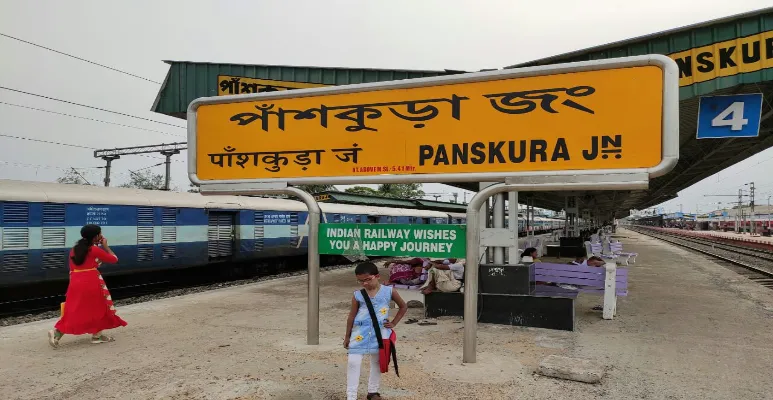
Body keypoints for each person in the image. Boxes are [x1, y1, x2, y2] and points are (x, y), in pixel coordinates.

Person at [48, 225, 126, 348]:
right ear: (96, 237)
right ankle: (94, 335)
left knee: (75, 309)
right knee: (99, 307)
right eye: (100, 234)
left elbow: (78, 266)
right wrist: (105, 246)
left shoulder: (75, 249)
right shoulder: (94, 250)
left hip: (75, 282)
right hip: (91, 281)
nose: (101, 236)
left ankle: (61, 334)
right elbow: (114, 259)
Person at [344, 262, 407, 400]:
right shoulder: (358, 295)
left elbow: (403, 306)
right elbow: (351, 316)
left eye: (367, 279)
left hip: (380, 333)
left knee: (377, 362)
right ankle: (351, 395)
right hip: (359, 333)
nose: (364, 283)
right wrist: (347, 336)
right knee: (353, 362)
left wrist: (394, 323)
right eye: (360, 281)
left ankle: (373, 391)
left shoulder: (390, 291)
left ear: (377, 276)